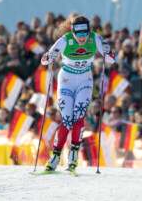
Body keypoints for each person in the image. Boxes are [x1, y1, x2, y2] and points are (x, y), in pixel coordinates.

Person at [40, 14, 115, 172]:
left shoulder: (95, 39)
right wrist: (49, 56)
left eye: (85, 33)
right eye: (78, 34)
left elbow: (111, 61)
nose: (82, 37)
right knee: (67, 120)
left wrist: (108, 52)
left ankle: (74, 154)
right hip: (66, 79)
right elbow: (44, 61)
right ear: (73, 32)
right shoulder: (65, 40)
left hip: (85, 80)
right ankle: (55, 157)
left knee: (79, 115)